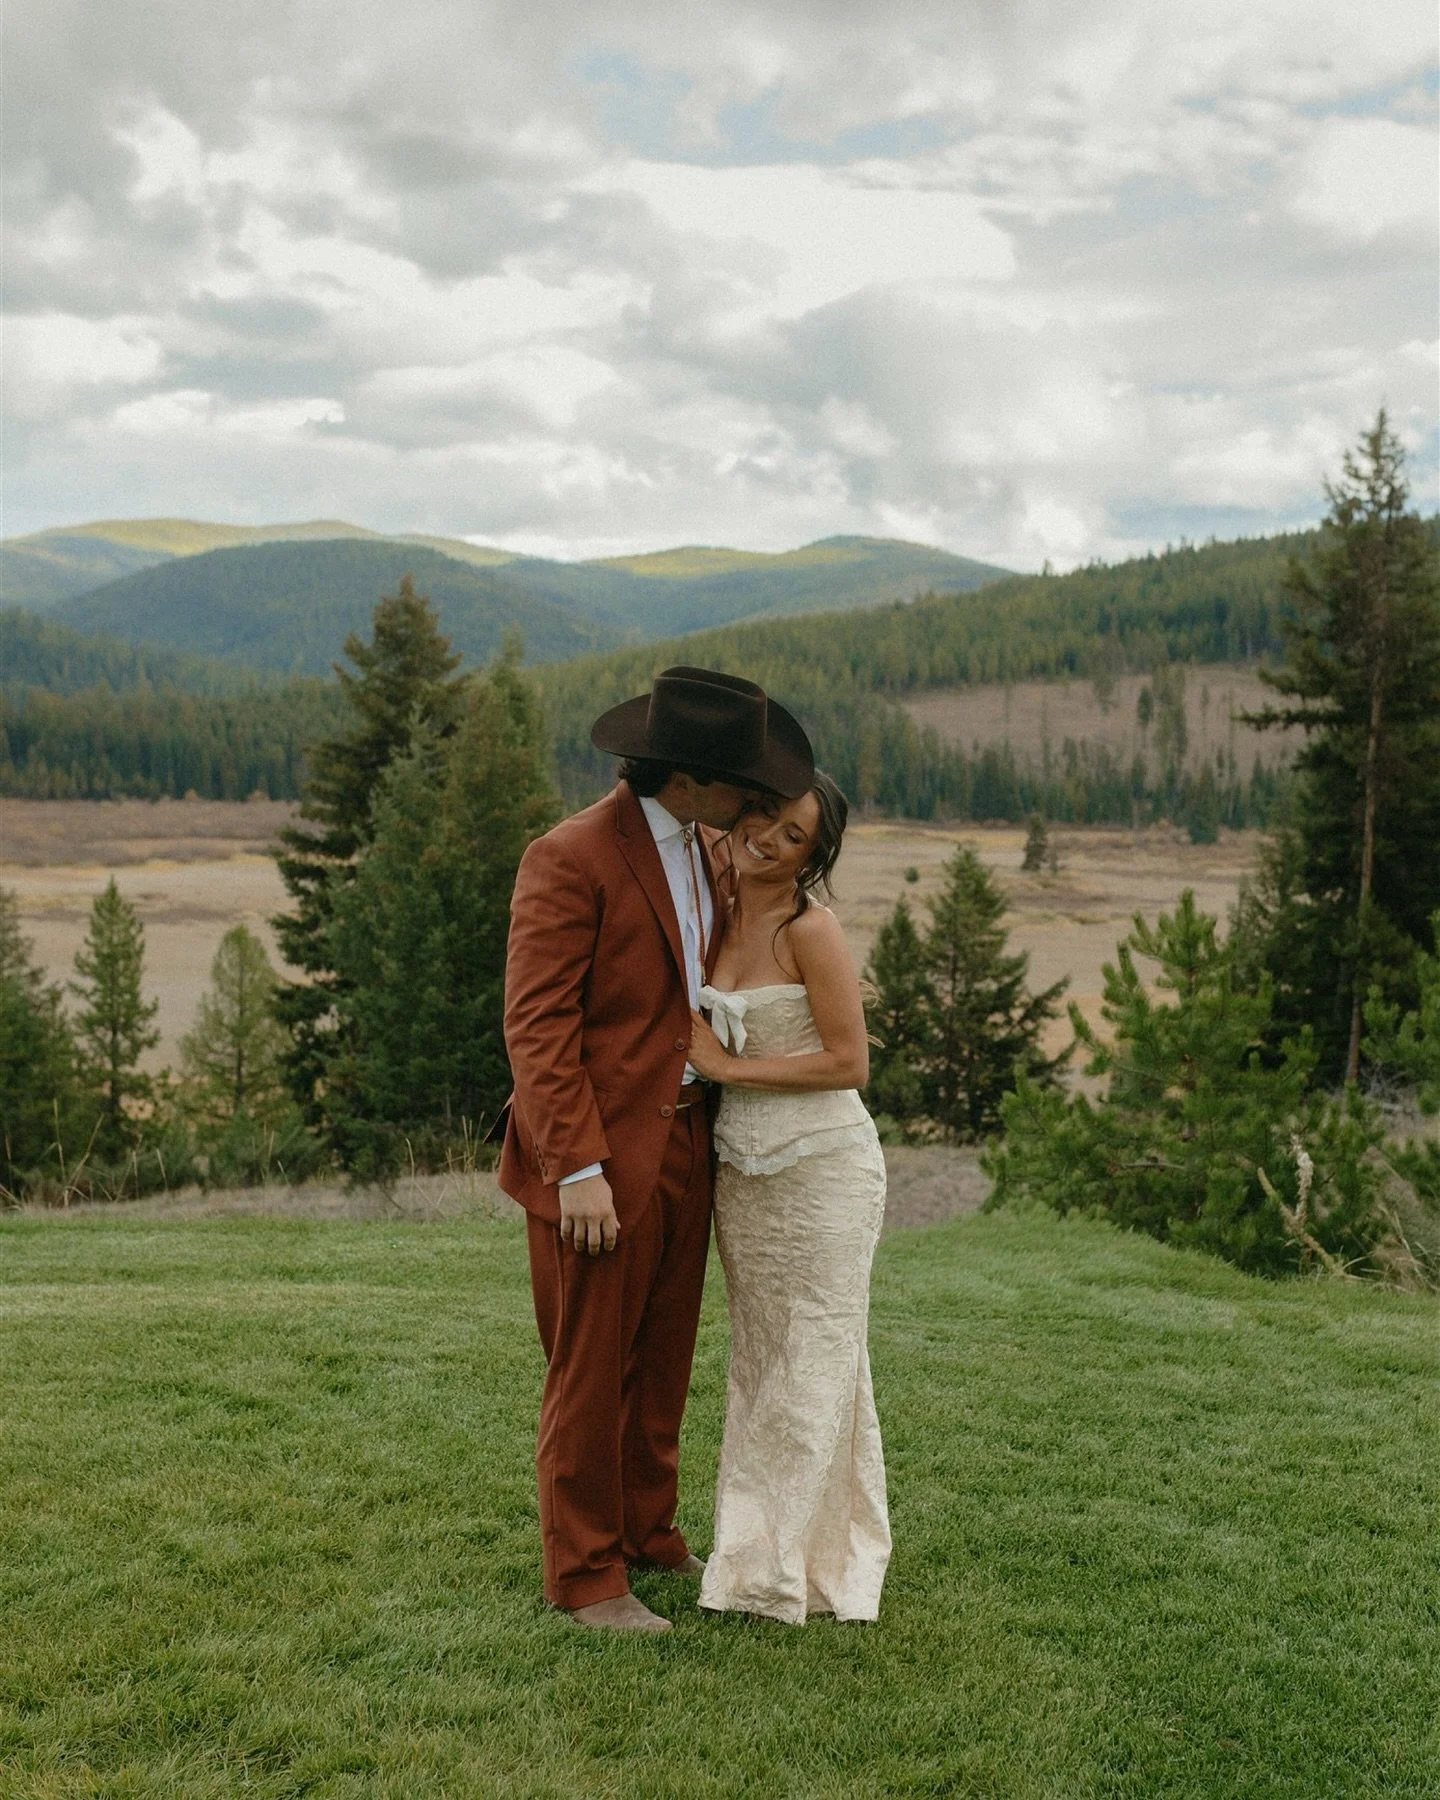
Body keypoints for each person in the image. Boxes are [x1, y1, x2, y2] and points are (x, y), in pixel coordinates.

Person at [498, 665, 814, 1633]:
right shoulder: (570, 855)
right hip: (598, 1160)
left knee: (663, 1353)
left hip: (690, 1142)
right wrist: (576, 1169)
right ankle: (585, 1576)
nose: (755, 803)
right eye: (742, 784)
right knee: (591, 1367)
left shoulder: (712, 850)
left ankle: (648, 1533)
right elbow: (538, 1026)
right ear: (684, 778)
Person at [686, 772, 891, 1625]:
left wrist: (727, 1066)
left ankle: (779, 1573)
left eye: (796, 836)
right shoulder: (714, 898)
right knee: (763, 1362)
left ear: (816, 858)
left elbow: (849, 1062)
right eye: (767, 815)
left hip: (824, 1174)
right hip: (745, 1181)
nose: (771, 837)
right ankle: (775, 1551)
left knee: (815, 1361)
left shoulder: (814, 931)